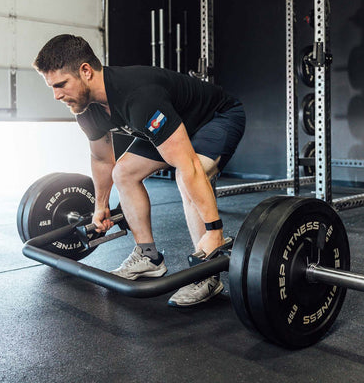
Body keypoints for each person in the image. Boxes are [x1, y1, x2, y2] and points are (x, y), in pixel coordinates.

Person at [33, 34, 245, 307]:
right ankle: (148, 257)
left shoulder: (138, 96)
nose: (56, 95)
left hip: (215, 118)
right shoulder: (85, 108)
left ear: (85, 71)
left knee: (187, 174)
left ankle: (207, 273)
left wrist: (214, 229)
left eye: (61, 85)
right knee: (123, 172)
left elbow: (189, 165)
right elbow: (101, 159)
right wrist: (100, 206)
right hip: (175, 123)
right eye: (52, 87)